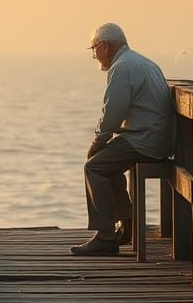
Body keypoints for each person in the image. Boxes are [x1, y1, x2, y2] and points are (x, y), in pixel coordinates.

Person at [71, 23, 176, 256]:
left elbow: (112, 114)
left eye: (93, 48)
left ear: (105, 46)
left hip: (145, 140)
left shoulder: (121, 68)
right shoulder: (143, 62)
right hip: (160, 138)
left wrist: (96, 143)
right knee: (108, 164)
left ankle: (105, 237)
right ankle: (127, 224)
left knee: (94, 166)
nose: (93, 55)